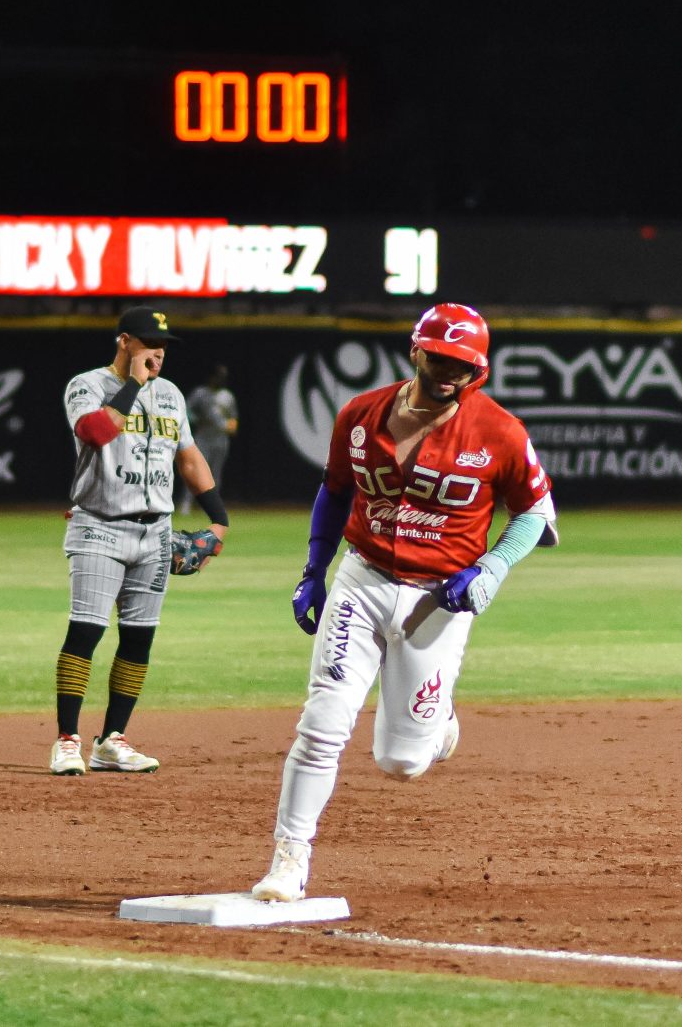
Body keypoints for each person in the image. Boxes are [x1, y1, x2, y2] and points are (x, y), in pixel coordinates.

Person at [250, 302, 558, 901]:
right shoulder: (360, 414)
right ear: (416, 350)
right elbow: (335, 491)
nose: (450, 374)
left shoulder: (499, 430)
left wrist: (492, 566)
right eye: (440, 359)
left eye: (463, 366)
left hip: (439, 599)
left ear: (479, 370)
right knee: (322, 725)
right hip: (362, 580)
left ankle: (438, 724)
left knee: (402, 763)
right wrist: (314, 570)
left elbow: (535, 513)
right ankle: (289, 859)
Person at [49, 306, 229, 775]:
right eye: (150, 343)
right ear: (124, 341)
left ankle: (112, 740)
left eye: (164, 345)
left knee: (138, 638)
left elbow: (188, 457)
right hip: (99, 526)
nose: (159, 353)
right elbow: (95, 433)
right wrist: (132, 384)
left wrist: (219, 520)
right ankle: (67, 740)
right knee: (86, 631)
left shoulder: (170, 395)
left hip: (156, 533)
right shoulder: (87, 385)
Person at [175, 364, 238, 514]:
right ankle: (186, 504)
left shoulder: (227, 396)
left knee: (216, 474)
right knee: (196, 471)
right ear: (211, 377)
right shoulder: (200, 393)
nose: (221, 380)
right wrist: (197, 420)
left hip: (220, 438)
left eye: (223, 377)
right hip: (203, 437)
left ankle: (211, 507)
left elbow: (233, 418)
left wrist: (232, 426)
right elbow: (186, 411)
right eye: (218, 377)